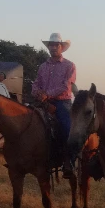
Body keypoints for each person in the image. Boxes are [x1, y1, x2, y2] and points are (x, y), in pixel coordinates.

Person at [31, 32, 76, 177]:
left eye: (56, 45)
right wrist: (37, 92)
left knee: (67, 127)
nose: (54, 47)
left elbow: (65, 85)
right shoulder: (43, 66)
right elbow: (36, 83)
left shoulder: (69, 66)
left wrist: (47, 94)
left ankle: (68, 161)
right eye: (51, 45)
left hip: (62, 102)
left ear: (61, 47)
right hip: (43, 101)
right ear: (48, 47)